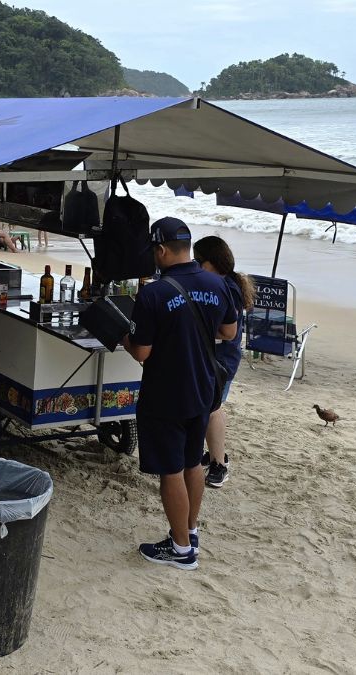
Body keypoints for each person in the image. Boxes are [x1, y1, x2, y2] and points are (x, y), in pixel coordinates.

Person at [125, 217, 238, 570]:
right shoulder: (217, 283)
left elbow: (142, 352)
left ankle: (180, 549)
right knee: (192, 463)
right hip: (203, 389)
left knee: (171, 471)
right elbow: (229, 332)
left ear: (161, 250)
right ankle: (190, 531)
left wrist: (122, 335)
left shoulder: (153, 293)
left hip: (166, 392)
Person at [193, 236, 254, 488]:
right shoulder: (223, 283)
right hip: (215, 356)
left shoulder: (226, 288)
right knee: (206, 407)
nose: (196, 266)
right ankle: (212, 456)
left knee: (213, 408)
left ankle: (219, 464)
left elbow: (226, 331)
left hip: (222, 360)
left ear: (212, 262)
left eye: (199, 261)